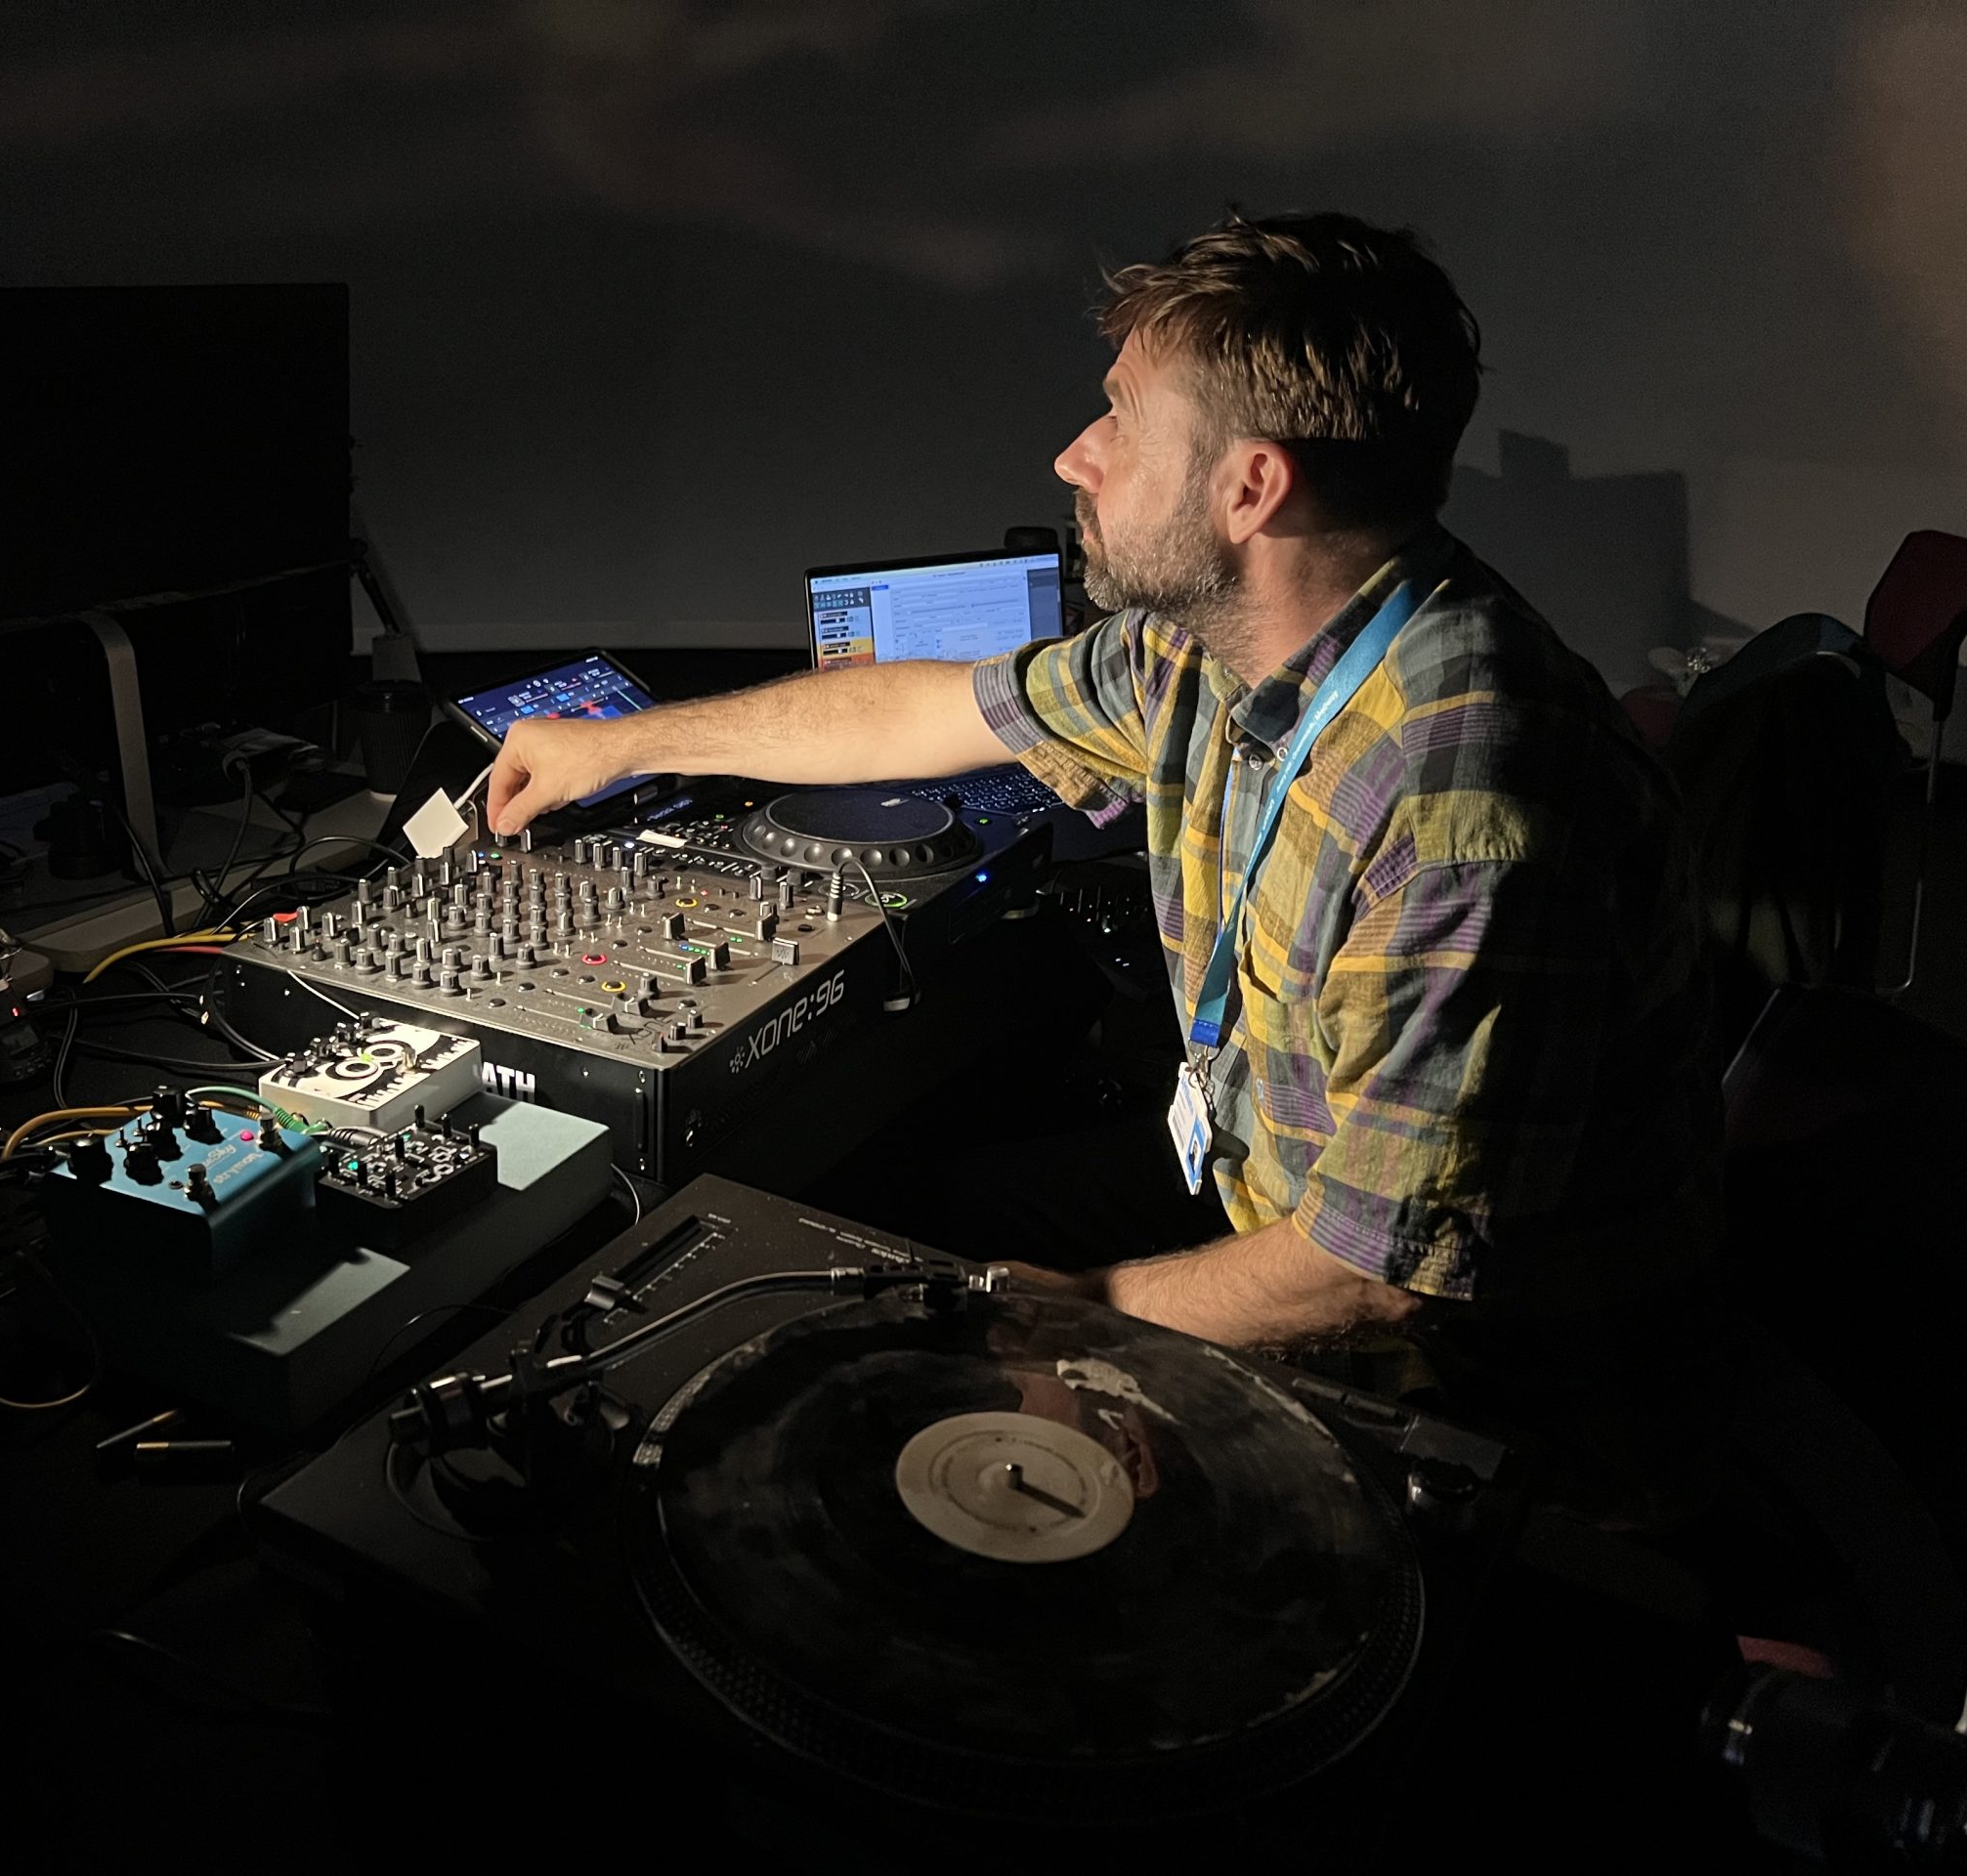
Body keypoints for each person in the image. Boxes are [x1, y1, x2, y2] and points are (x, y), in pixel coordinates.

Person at [489, 211, 1721, 1521]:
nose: (1075, 454)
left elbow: (1380, 1270)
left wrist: (1087, 1311)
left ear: (1251, 489)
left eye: (1121, 418)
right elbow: (924, 711)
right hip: (1258, 1185)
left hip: (1472, 1371)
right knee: (917, 1207)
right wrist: (618, 743)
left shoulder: (1463, 807)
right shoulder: (1207, 645)